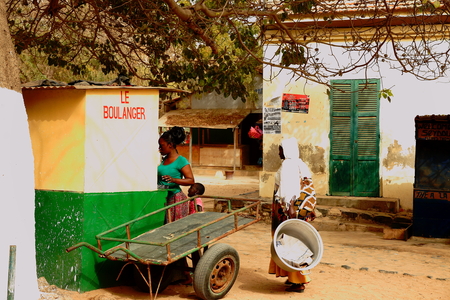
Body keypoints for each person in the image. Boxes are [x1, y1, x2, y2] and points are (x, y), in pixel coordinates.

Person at [268, 137, 317, 293]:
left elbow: (290, 191)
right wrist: (310, 209)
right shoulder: (300, 164)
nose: (279, 152)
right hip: (295, 210)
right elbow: (308, 189)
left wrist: (290, 210)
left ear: (286, 150)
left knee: (290, 244)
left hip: (287, 210)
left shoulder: (288, 165)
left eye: (280, 149)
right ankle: (292, 277)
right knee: (293, 242)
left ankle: (300, 281)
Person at [158, 126, 195, 222]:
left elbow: (191, 180)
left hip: (175, 199)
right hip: (163, 197)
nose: (159, 148)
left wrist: (174, 180)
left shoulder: (181, 161)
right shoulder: (164, 160)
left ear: (170, 145)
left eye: (162, 145)